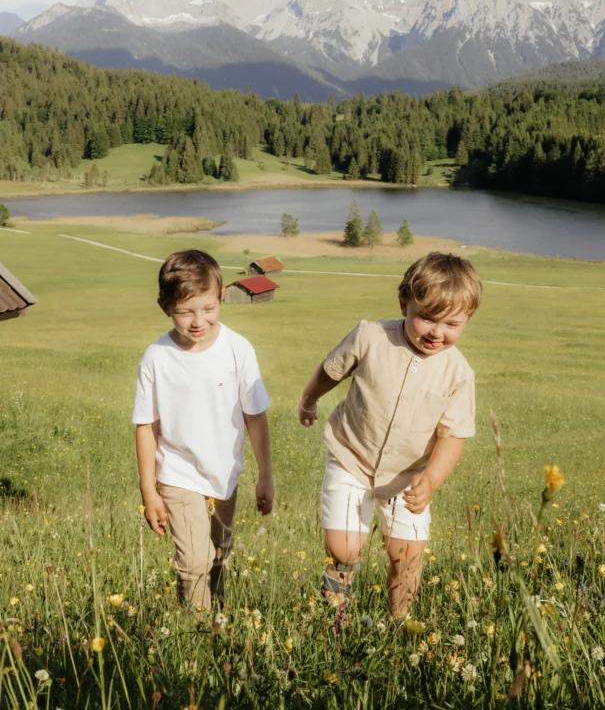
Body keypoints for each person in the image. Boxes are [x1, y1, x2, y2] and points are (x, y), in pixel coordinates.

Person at [298, 252, 481, 618]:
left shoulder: (459, 373)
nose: (436, 332)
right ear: (404, 304)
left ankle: (399, 624)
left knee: (407, 554)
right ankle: (334, 618)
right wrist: (309, 399)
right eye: (426, 317)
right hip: (352, 457)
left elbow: (453, 435)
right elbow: (331, 370)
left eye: (451, 324)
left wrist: (430, 479)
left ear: (467, 320)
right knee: (345, 548)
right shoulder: (371, 336)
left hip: (409, 477)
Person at [133, 249, 274, 610]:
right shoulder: (156, 358)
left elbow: (255, 417)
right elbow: (146, 426)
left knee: (220, 551)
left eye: (208, 308)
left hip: (225, 472)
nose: (198, 321)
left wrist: (265, 476)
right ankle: (198, 633)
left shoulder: (238, 350)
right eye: (185, 311)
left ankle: (218, 616)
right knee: (195, 561)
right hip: (178, 473)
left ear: (222, 296)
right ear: (166, 308)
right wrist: (149, 491)